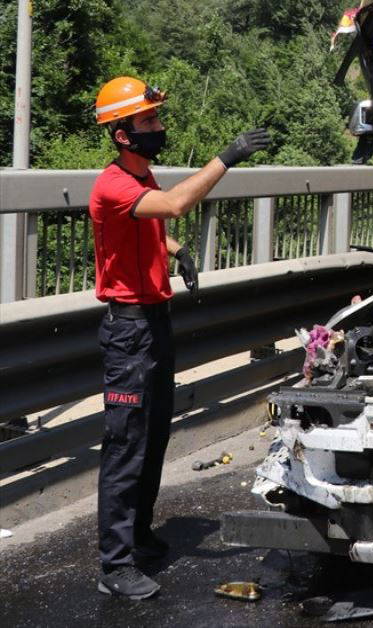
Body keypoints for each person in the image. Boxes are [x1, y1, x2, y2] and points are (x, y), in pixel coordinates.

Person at [89, 76, 269, 599]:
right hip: (129, 331)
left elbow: (150, 220)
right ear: (122, 134)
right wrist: (227, 157)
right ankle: (114, 565)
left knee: (152, 438)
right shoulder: (113, 183)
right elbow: (171, 205)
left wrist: (174, 250)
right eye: (148, 120)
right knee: (126, 445)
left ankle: (139, 537)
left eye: (156, 117)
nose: (158, 126)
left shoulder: (139, 176)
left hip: (154, 323)